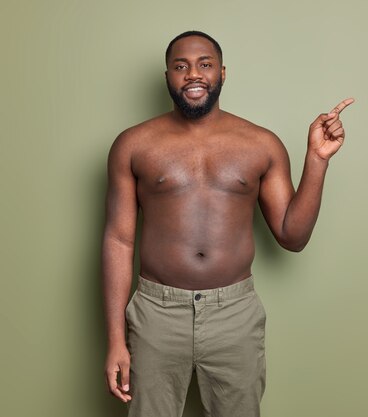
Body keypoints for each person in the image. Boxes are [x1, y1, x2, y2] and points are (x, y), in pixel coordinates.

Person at [102, 30, 353, 417]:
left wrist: (317, 160)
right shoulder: (134, 144)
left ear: (222, 72)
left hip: (233, 314)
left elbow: (293, 236)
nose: (193, 75)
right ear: (167, 75)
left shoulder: (260, 144)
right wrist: (116, 339)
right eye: (181, 66)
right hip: (156, 313)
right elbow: (119, 241)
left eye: (205, 64)